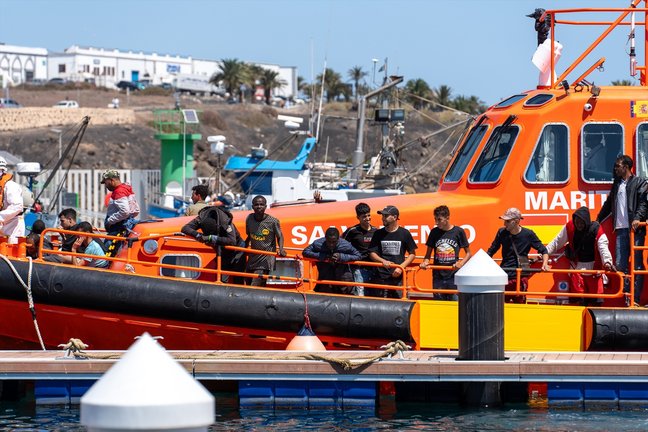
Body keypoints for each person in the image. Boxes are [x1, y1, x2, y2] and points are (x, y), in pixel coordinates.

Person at [597, 155, 648, 306]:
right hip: (620, 229)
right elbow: (609, 204)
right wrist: (598, 220)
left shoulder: (640, 182)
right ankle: (628, 296)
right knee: (620, 264)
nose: (615, 168)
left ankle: (636, 298)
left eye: (618, 166)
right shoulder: (617, 184)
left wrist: (638, 218)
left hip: (635, 230)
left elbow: (644, 204)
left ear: (626, 167)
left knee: (637, 263)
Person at [546, 207, 614, 306]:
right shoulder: (570, 227)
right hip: (577, 269)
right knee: (580, 301)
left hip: (594, 269)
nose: (579, 225)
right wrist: (544, 253)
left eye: (581, 222)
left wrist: (607, 262)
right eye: (577, 222)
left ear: (586, 221)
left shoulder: (596, 228)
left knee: (596, 302)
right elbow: (557, 242)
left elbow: (603, 247)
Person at [487, 207, 550, 303]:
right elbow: (491, 250)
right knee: (501, 306)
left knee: (520, 305)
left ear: (516, 221)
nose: (504, 224)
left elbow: (544, 250)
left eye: (507, 221)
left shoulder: (528, 234)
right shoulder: (501, 232)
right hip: (504, 275)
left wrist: (544, 264)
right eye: (504, 221)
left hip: (520, 277)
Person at [420, 205, 472, 300]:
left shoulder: (458, 231)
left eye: (439, 220)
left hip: (453, 276)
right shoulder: (434, 232)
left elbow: (468, 253)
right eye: (435, 219)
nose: (436, 222)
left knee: (454, 305)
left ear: (447, 218)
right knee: (439, 305)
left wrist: (461, 263)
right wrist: (425, 262)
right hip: (438, 276)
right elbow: (428, 255)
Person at [181, 205, 240, 283]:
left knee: (237, 276)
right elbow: (185, 228)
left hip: (236, 248)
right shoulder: (202, 217)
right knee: (220, 274)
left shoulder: (226, 222)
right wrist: (199, 235)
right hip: (220, 249)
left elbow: (232, 241)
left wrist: (211, 238)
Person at [368, 205, 417, 298]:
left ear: (395, 217)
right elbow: (372, 253)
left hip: (398, 278)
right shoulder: (378, 233)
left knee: (400, 305)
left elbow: (412, 254)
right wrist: (382, 261)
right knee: (381, 306)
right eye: (382, 216)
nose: (383, 218)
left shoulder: (404, 233)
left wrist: (400, 267)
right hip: (381, 277)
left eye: (386, 216)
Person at [303, 227, 361, 294]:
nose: (331, 244)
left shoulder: (345, 245)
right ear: (325, 238)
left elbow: (358, 256)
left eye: (334, 242)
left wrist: (341, 256)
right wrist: (323, 256)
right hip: (325, 276)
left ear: (338, 239)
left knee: (347, 293)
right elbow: (305, 252)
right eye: (329, 241)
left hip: (343, 276)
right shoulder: (318, 243)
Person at [245, 195, 286, 286]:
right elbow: (249, 235)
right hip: (253, 257)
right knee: (247, 282)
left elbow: (280, 236)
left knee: (255, 284)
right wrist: (244, 246)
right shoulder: (249, 218)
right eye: (256, 204)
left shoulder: (273, 221)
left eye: (261, 204)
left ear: (265, 206)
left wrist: (281, 249)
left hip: (266, 259)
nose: (259, 207)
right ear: (252, 207)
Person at [101, 169, 140, 256]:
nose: (106, 186)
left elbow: (125, 211)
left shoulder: (118, 192)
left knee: (106, 254)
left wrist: (110, 221)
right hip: (122, 228)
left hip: (117, 229)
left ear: (112, 180)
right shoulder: (126, 189)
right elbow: (136, 210)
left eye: (106, 183)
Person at [342, 202, 377, 296]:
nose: (367, 218)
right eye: (364, 216)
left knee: (373, 295)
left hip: (374, 269)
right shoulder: (352, 231)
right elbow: (341, 244)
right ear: (358, 218)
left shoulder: (376, 231)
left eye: (369, 215)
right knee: (360, 294)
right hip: (359, 268)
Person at [0, 156, 25, 244]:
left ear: (2, 170)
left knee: (12, 248)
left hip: (14, 224)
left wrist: (1, 216)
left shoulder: (11, 186)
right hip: (2, 224)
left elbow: (17, 206)